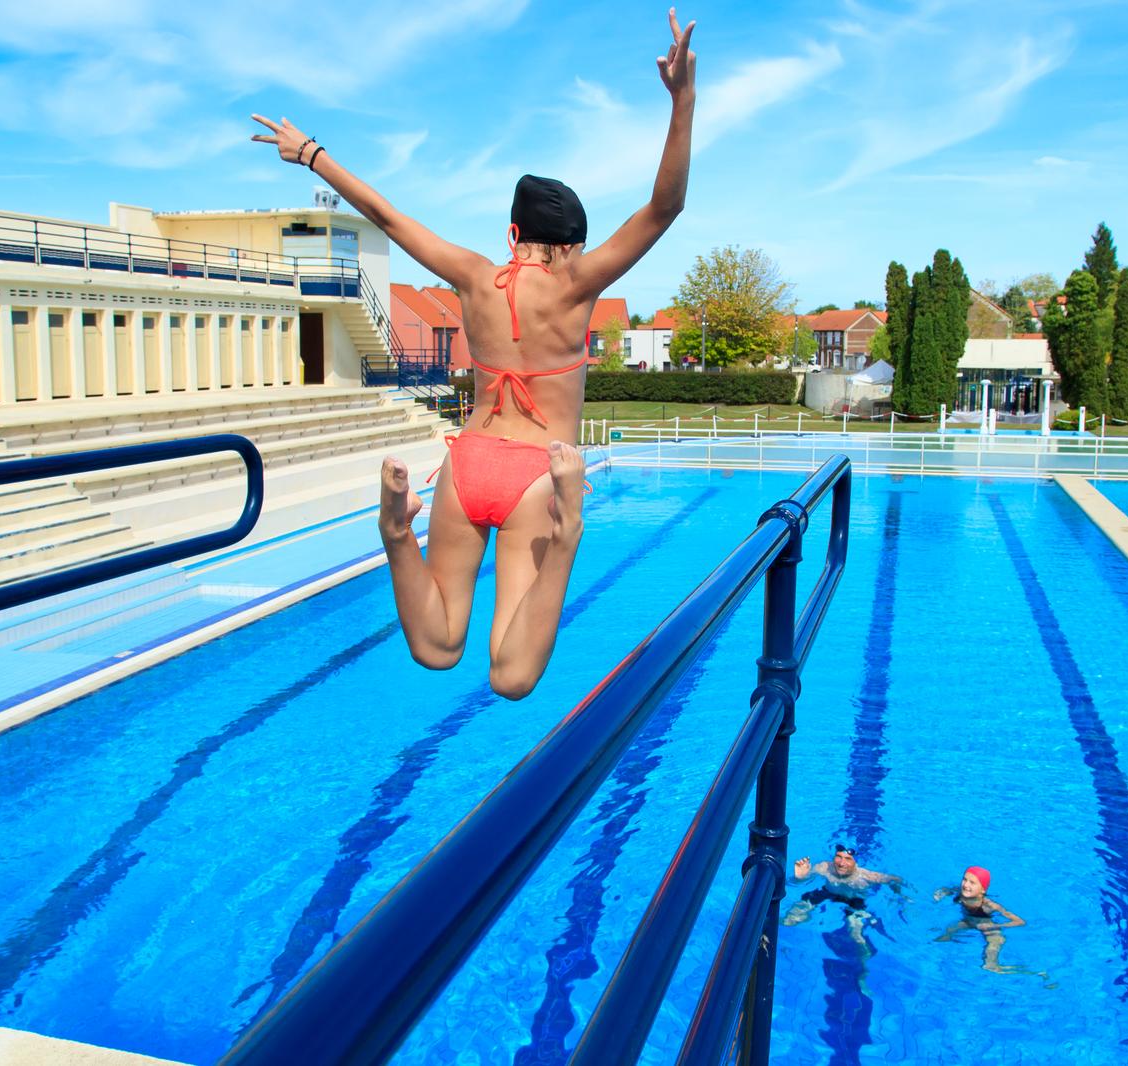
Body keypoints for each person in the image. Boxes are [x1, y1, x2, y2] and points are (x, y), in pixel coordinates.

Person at [250, 9, 697, 699]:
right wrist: (682, 99)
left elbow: (390, 217)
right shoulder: (577, 284)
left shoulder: (469, 274)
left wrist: (312, 155)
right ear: (572, 244)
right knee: (511, 675)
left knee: (437, 647)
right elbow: (663, 208)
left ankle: (397, 531)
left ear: (514, 232)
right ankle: (571, 530)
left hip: (465, 465)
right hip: (536, 476)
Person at [933, 866, 1047, 981]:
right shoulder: (960, 892)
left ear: (983, 890)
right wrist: (940, 893)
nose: (966, 885)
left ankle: (1036, 972)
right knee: (945, 934)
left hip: (990, 929)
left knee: (990, 966)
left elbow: (1020, 922)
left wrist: (995, 926)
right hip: (968, 922)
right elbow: (947, 889)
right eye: (965, 879)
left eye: (972, 883)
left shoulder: (990, 905)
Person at [785, 844, 904, 951]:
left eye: (848, 859)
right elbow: (795, 883)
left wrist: (900, 895)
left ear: (856, 862)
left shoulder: (867, 876)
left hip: (854, 900)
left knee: (856, 935)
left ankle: (864, 960)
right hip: (827, 892)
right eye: (838, 856)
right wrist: (799, 878)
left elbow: (895, 880)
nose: (841, 863)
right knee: (792, 917)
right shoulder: (824, 867)